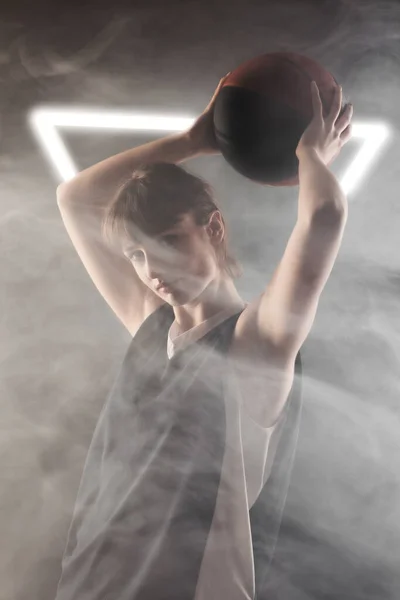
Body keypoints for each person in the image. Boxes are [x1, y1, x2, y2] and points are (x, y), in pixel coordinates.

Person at [54, 76, 353, 600]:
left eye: (167, 241)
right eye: (136, 255)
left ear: (212, 229)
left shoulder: (254, 344)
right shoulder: (150, 327)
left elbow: (323, 217)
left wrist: (310, 155)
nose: (150, 269)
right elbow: (75, 198)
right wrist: (193, 141)